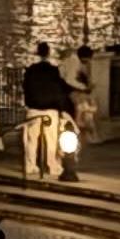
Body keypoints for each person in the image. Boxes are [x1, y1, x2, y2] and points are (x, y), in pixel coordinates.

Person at [18, 45, 73, 181]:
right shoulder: (53, 71)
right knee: (51, 140)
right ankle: (52, 165)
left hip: (34, 109)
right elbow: (60, 89)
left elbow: (25, 88)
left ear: (37, 53)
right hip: (50, 109)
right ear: (48, 53)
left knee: (31, 140)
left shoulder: (30, 71)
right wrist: (62, 108)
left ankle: (30, 165)